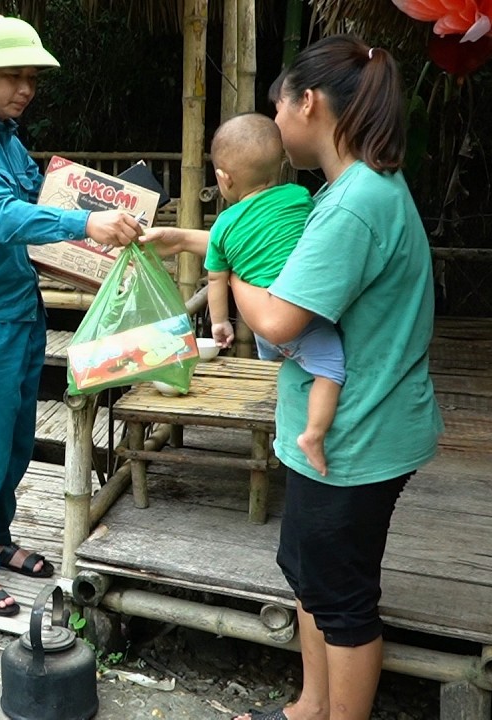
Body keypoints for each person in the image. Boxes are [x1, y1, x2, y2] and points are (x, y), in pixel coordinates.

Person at [227, 36, 441, 720]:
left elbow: (281, 320)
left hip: (358, 435)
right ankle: (308, 709)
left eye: (278, 105)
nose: (276, 122)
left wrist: (229, 273)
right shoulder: (355, 188)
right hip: (346, 430)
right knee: (309, 573)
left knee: (342, 598)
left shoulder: (352, 204)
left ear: (307, 102)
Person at [0, 15, 143, 616]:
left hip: (19, 307)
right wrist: (86, 223)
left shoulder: (5, 137)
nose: (25, 88)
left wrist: (105, 207)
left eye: (31, 79)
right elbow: (0, 215)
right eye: (13, 76)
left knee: (15, 440)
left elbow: (41, 201)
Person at [174, 112, 344, 477]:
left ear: (223, 178)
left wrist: (219, 323)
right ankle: (314, 435)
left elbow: (217, 281)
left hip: (262, 327)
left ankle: (289, 419)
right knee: (332, 371)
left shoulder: (222, 227)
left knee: (283, 368)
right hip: (303, 315)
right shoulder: (300, 197)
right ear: (282, 165)